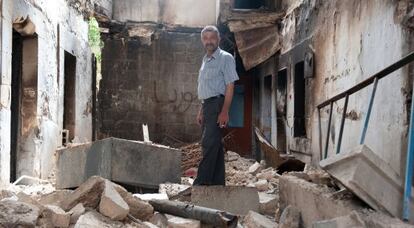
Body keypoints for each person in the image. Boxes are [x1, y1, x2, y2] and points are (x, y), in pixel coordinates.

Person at [193, 25, 239, 186]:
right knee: (216, 146)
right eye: (205, 39)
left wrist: (225, 111)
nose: (209, 41)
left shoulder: (225, 58)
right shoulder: (205, 60)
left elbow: (230, 86)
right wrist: (201, 110)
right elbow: (205, 87)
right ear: (202, 41)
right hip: (207, 106)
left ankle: (201, 183)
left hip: (218, 104)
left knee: (208, 143)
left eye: (212, 38)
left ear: (218, 39)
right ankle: (218, 183)